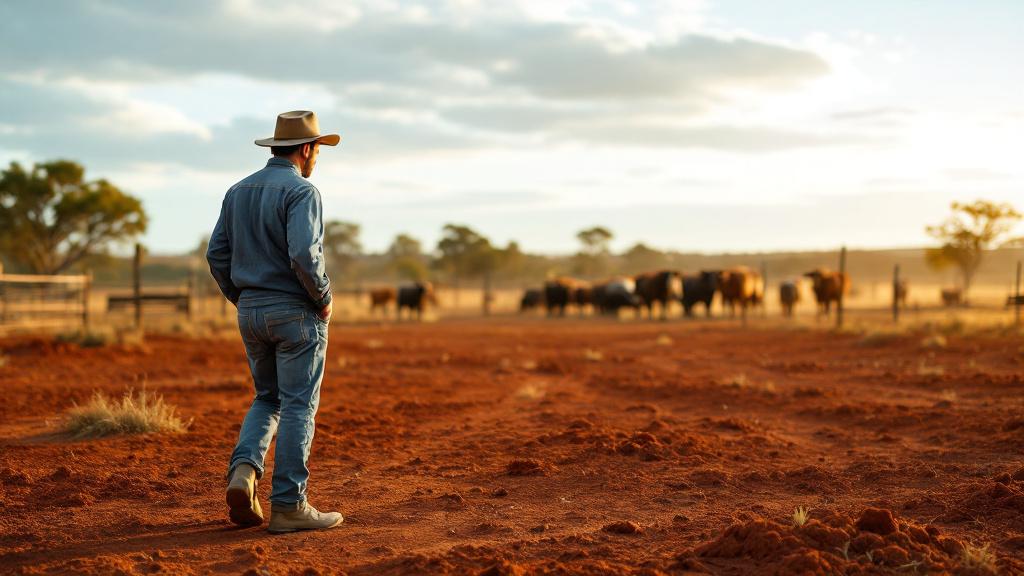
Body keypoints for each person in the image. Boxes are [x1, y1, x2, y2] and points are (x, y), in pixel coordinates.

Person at [207, 110, 342, 533]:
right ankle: (288, 504)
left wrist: (242, 298)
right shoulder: (303, 192)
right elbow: (305, 254)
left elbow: (216, 254)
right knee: (299, 404)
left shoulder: (237, 191)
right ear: (306, 149)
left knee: (267, 399)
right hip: (295, 313)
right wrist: (322, 297)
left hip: (250, 312)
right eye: (318, 149)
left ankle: (244, 473)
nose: (317, 157)